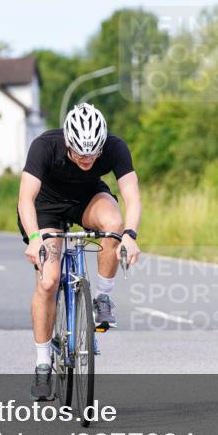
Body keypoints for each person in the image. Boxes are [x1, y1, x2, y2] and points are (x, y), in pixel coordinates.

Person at [17, 103, 142, 400]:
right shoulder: (44, 146)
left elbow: (132, 197)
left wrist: (130, 236)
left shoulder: (115, 147)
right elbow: (25, 199)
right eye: (80, 153)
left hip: (87, 199)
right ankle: (43, 362)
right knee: (48, 280)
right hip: (46, 207)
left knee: (114, 225)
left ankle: (102, 297)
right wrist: (35, 238)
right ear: (68, 142)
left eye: (93, 154)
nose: (87, 159)